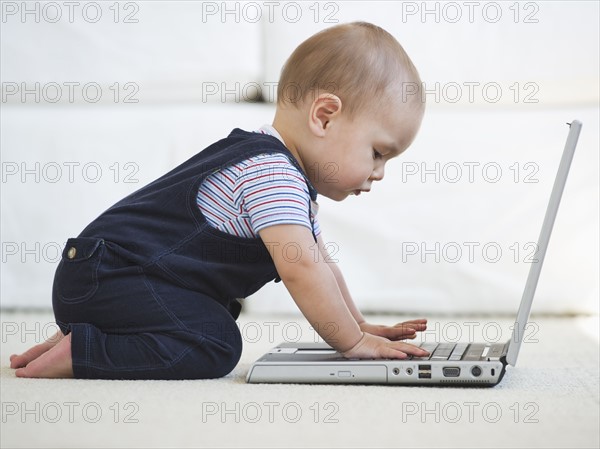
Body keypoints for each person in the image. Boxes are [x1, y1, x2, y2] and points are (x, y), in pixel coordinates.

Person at [10, 21, 429, 379]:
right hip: (109, 278)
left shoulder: (283, 175)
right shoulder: (272, 174)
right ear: (324, 116)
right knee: (216, 340)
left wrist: (360, 326)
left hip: (105, 279)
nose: (379, 173)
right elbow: (303, 269)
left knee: (215, 314)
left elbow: (322, 265)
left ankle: (91, 332)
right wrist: (352, 343)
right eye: (378, 152)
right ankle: (85, 351)